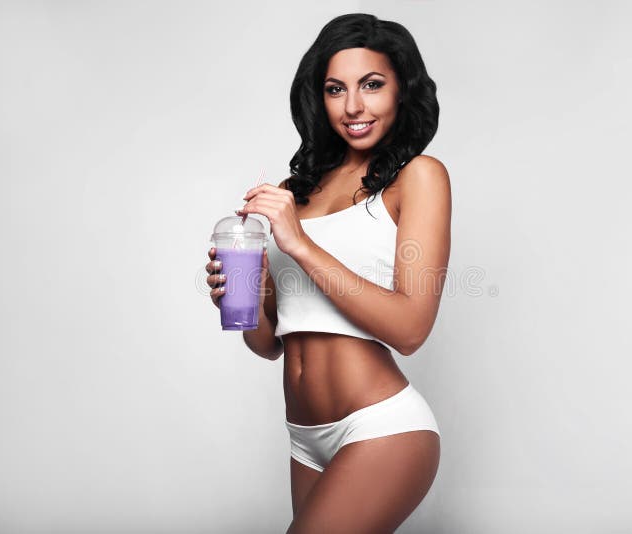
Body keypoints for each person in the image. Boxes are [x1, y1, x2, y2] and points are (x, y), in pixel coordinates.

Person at [206, 13, 450, 533]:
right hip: (304, 439)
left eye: (373, 85)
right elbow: (269, 345)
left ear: (402, 91)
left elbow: (411, 329)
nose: (354, 106)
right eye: (336, 89)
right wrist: (248, 293)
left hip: (381, 427)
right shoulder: (301, 190)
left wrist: (298, 244)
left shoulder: (418, 178)